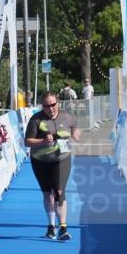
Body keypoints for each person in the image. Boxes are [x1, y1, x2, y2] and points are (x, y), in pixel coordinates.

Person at [25, 91, 81, 241]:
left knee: (59, 191)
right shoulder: (35, 120)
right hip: (40, 160)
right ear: (42, 106)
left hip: (62, 159)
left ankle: (63, 227)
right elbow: (27, 141)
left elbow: (75, 127)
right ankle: (51, 227)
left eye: (53, 105)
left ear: (58, 103)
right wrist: (43, 141)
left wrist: (76, 134)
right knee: (48, 195)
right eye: (47, 106)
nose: (51, 108)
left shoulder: (67, 116)